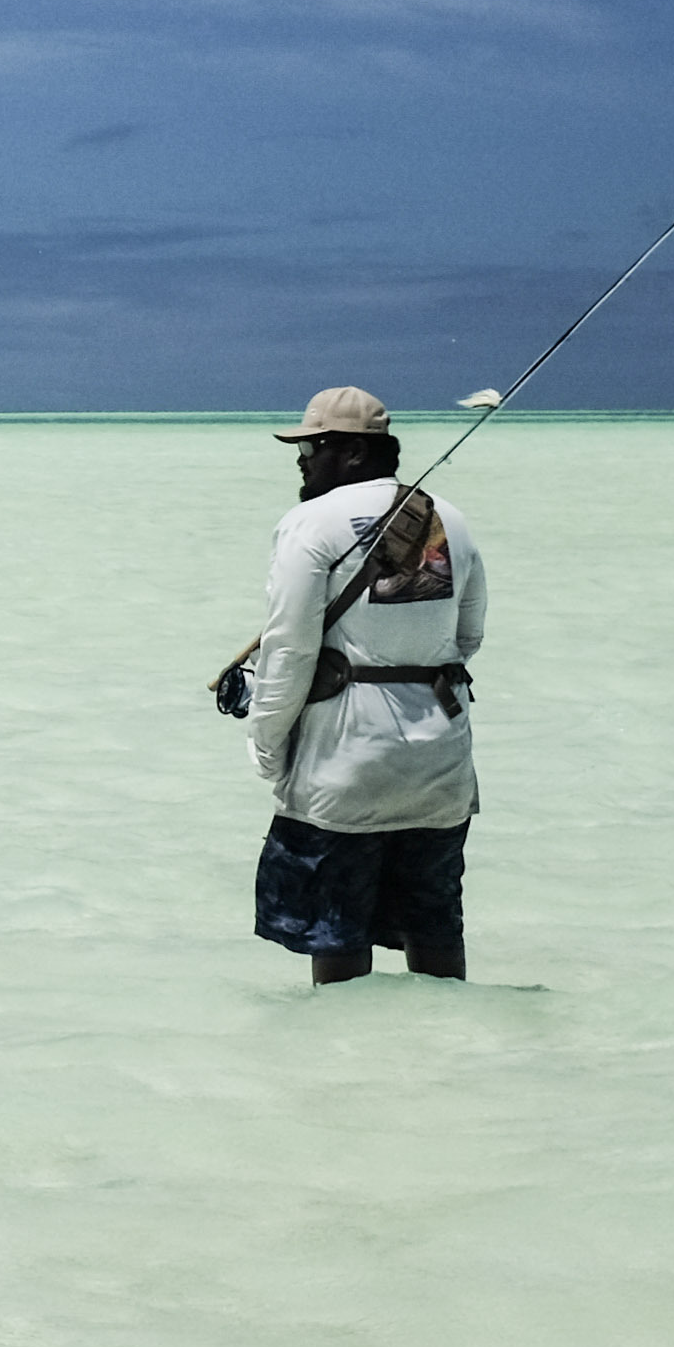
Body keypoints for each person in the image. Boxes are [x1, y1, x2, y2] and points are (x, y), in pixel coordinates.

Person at [241, 387, 482, 983]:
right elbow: (468, 638)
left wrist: (268, 749)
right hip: (442, 762)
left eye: (313, 446)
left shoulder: (308, 523)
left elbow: (289, 651)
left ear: (353, 454)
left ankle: (341, 1064)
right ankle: (452, 1054)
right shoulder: (450, 517)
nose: (302, 459)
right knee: (433, 930)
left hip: (343, 765)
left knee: (335, 931)